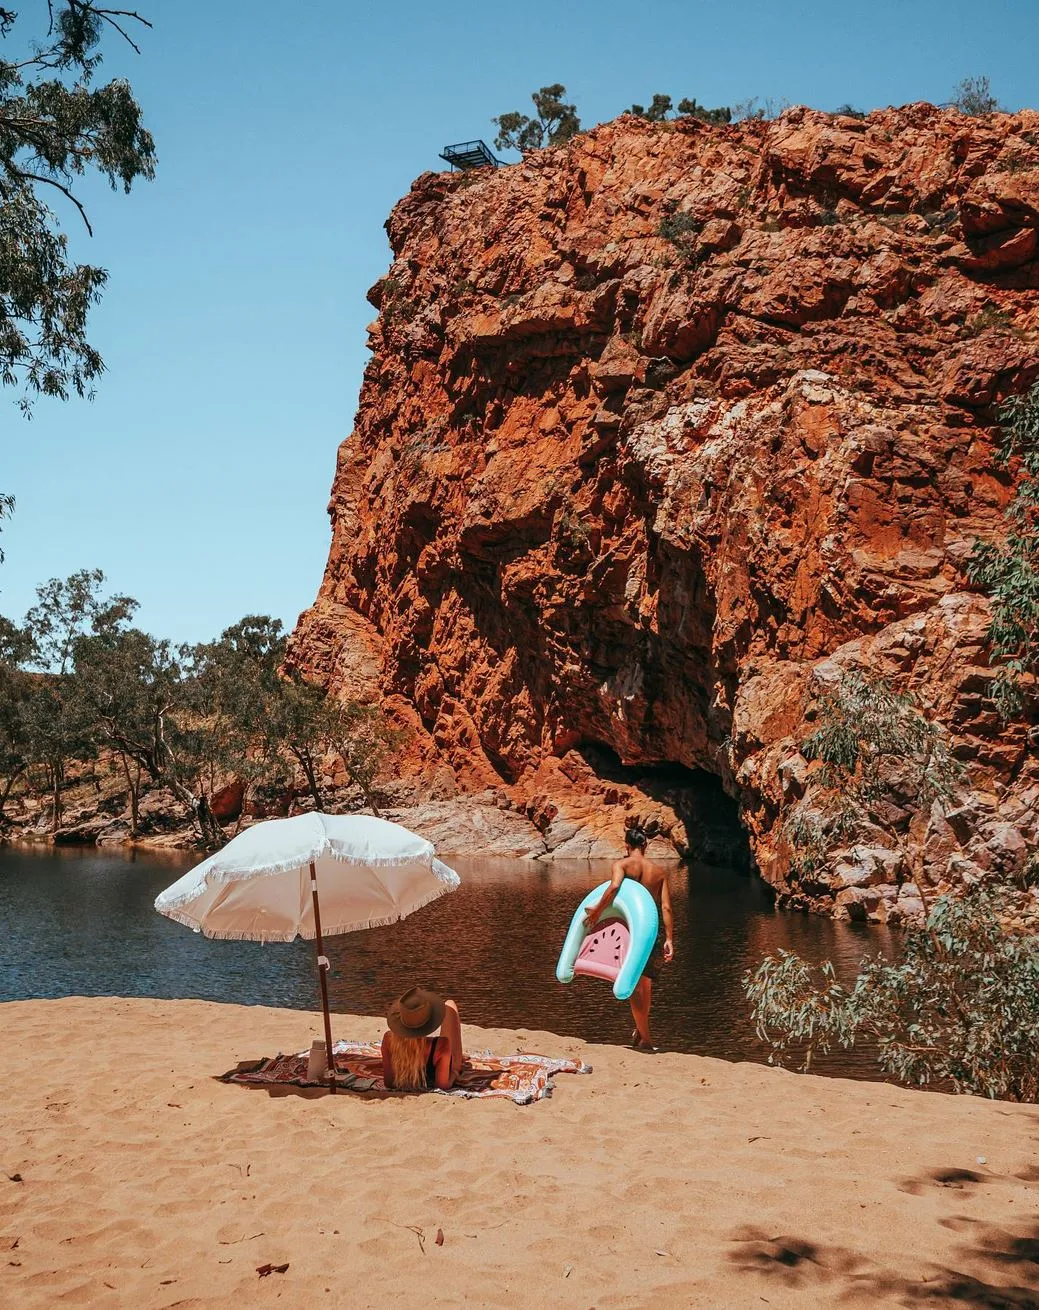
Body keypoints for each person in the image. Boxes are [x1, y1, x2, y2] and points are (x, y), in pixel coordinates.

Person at [583, 825, 674, 1050]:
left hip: (631, 931)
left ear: (626, 846)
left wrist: (596, 911)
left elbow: (614, 888)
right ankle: (641, 1030)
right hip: (651, 932)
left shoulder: (622, 865)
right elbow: (666, 908)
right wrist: (670, 939)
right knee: (646, 984)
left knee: (633, 985)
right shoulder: (659, 873)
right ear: (646, 845)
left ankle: (647, 1039)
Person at [380, 986, 465, 1091]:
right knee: (449, 1004)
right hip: (437, 1061)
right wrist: (454, 1073)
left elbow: (389, 1083)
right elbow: (442, 1086)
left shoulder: (388, 1040)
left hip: (404, 1059)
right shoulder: (441, 1046)